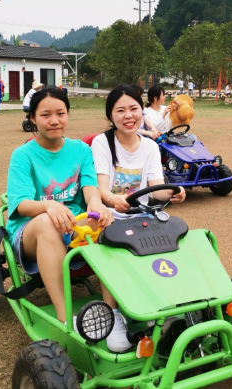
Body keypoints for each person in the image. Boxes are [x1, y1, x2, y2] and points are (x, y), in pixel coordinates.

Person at [6, 86, 116, 346]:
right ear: (32, 118)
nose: (54, 120)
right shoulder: (23, 155)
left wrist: (97, 205)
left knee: (106, 220)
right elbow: (21, 204)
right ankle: (66, 319)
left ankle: (111, 314)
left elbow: (90, 187)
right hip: (32, 230)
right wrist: (48, 206)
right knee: (48, 223)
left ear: (68, 114)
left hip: (73, 225)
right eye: (45, 115)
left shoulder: (81, 150)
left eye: (60, 113)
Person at [91, 85, 187, 349]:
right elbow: (101, 188)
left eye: (133, 109)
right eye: (120, 110)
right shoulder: (102, 142)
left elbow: (157, 188)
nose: (128, 116)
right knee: (111, 242)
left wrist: (175, 191)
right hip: (109, 214)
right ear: (111, 116)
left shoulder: (150, 147)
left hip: (140, 216)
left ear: (141, 112)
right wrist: (114, 200)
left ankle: (168, 304)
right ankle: (112, 314)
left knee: (174, 238)